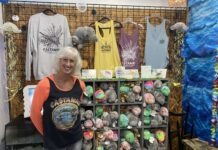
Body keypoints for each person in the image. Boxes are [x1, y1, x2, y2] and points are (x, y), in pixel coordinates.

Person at [30, 46, 85, 150]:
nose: (68, 64)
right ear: (59, 61)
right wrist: (45, 133)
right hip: (54, 141)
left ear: (76, 64)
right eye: (65, 60)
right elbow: (34, 113)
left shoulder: (80, 85)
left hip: (75, 139)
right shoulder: (44, 84)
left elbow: (77, 108)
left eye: (72, 61)